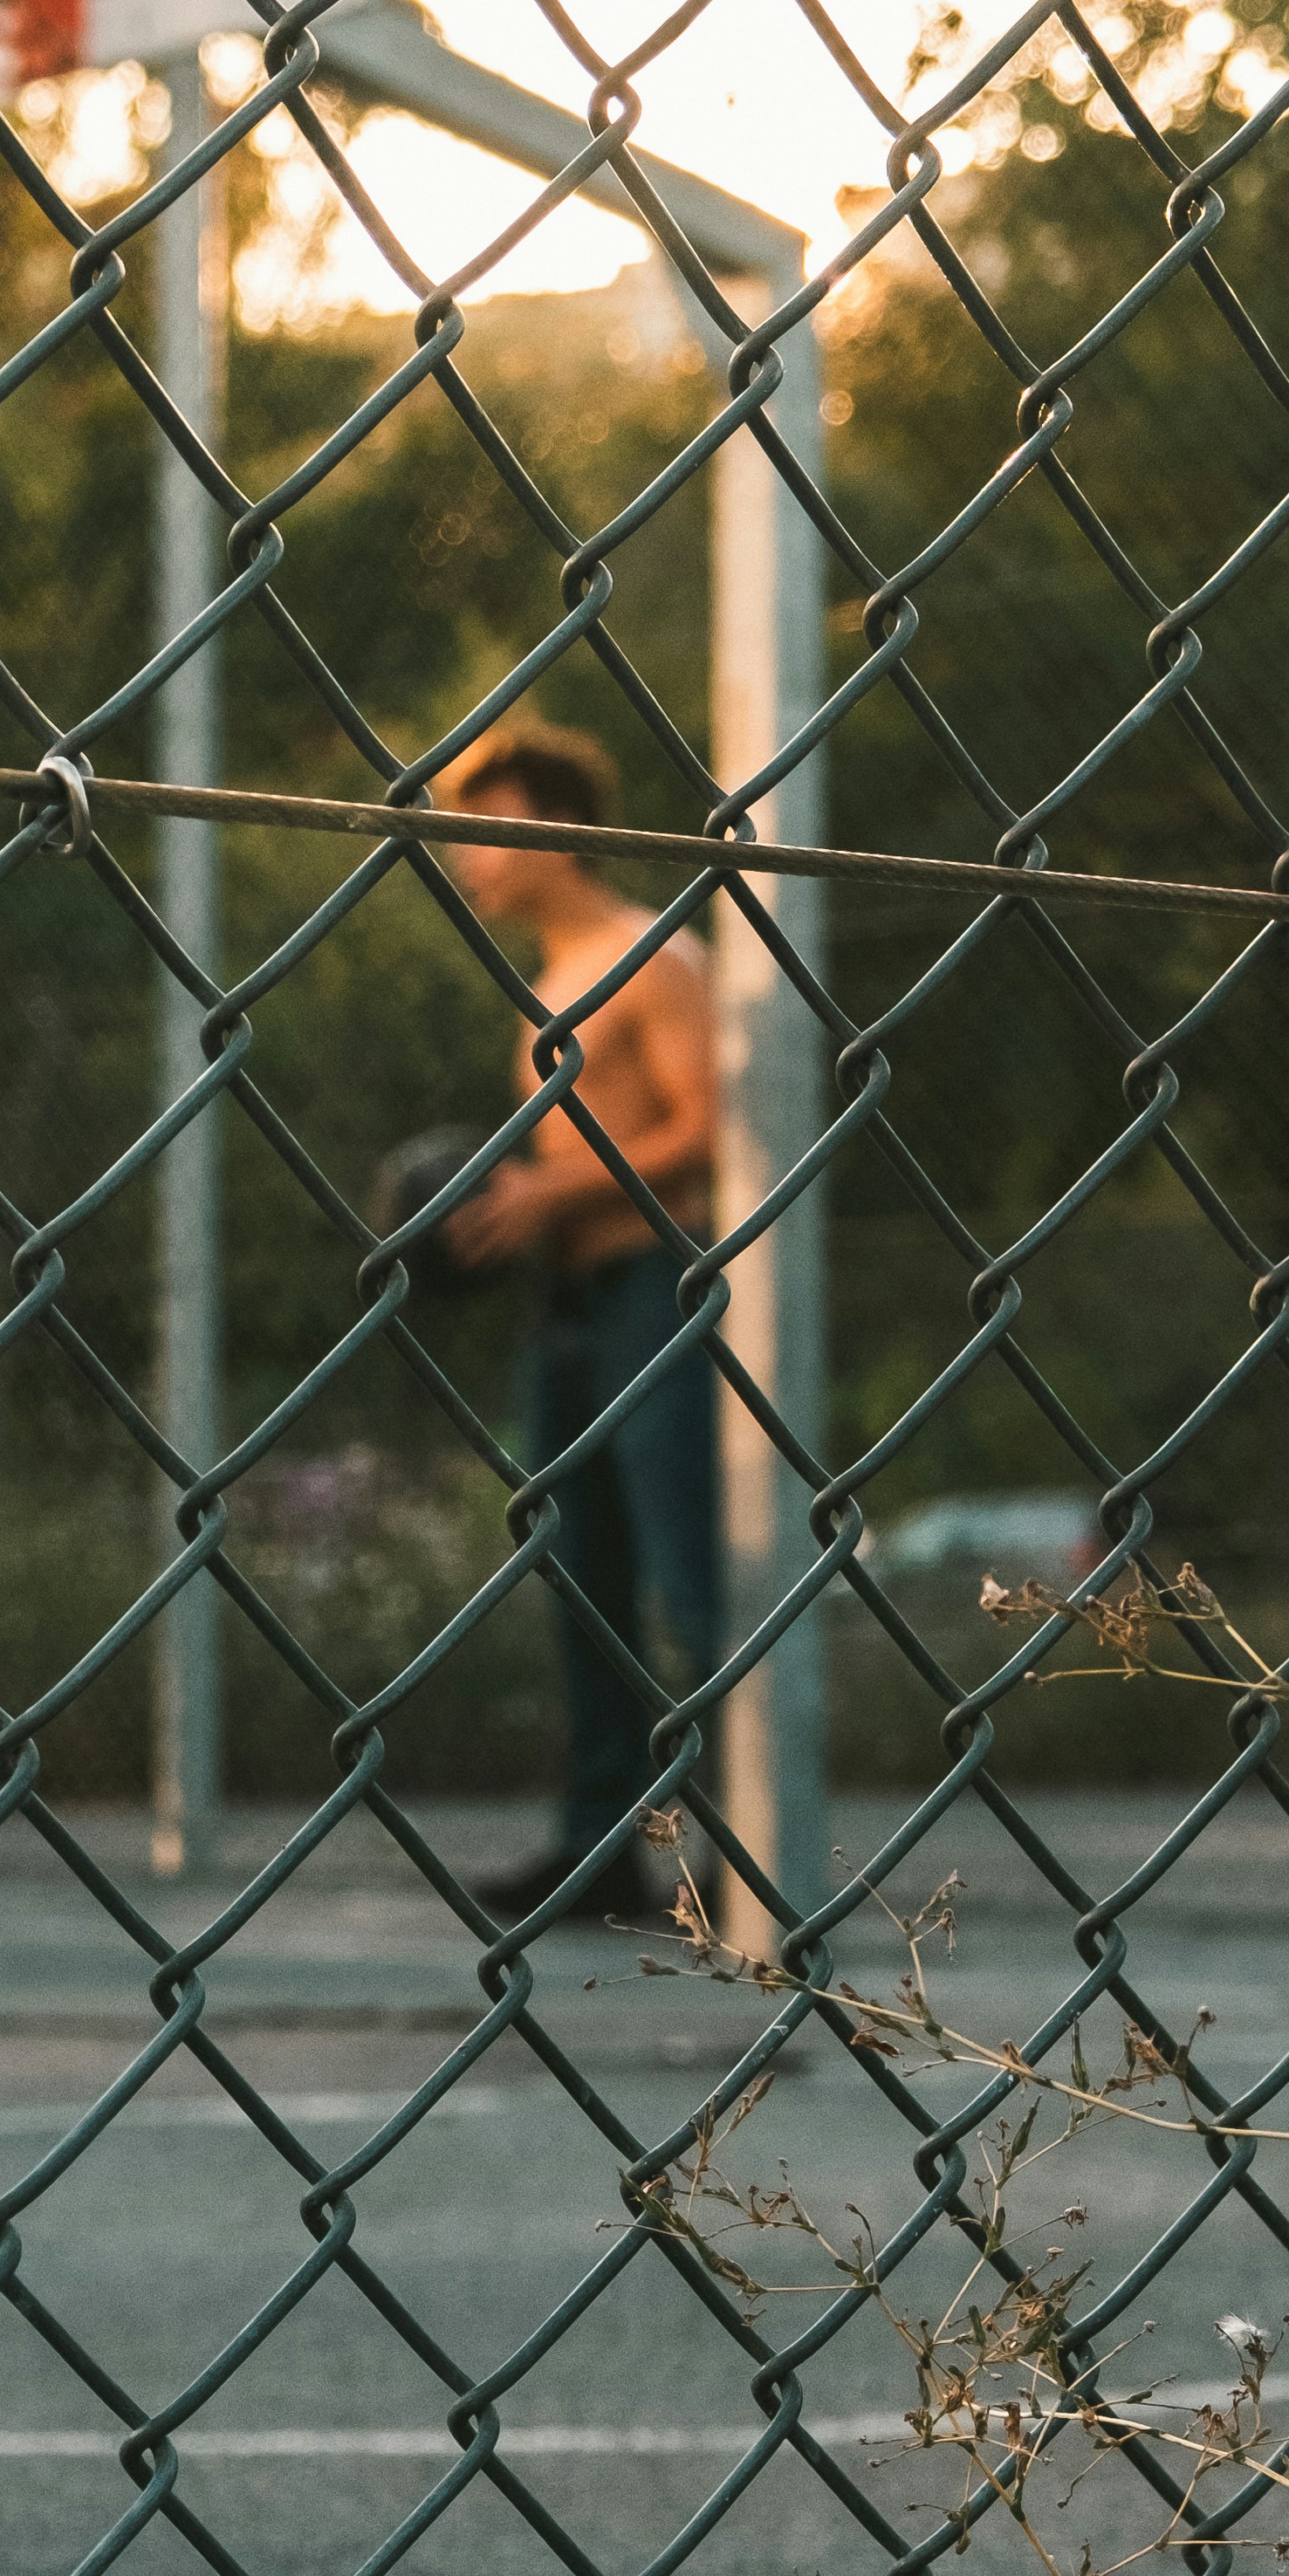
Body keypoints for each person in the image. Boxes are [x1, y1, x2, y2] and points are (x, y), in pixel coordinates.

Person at [441, 719, 721, 1922]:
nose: (471, 860)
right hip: (571, 1300)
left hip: (657, 1286)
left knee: (685, 1572)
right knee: (580, 1570)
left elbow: (703, 1130)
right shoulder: (547, 981)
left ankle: (739, 1848)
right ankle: (600, 1842)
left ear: (555, 823)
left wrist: (546, 1189)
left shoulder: (650, 955)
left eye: (491, 831)